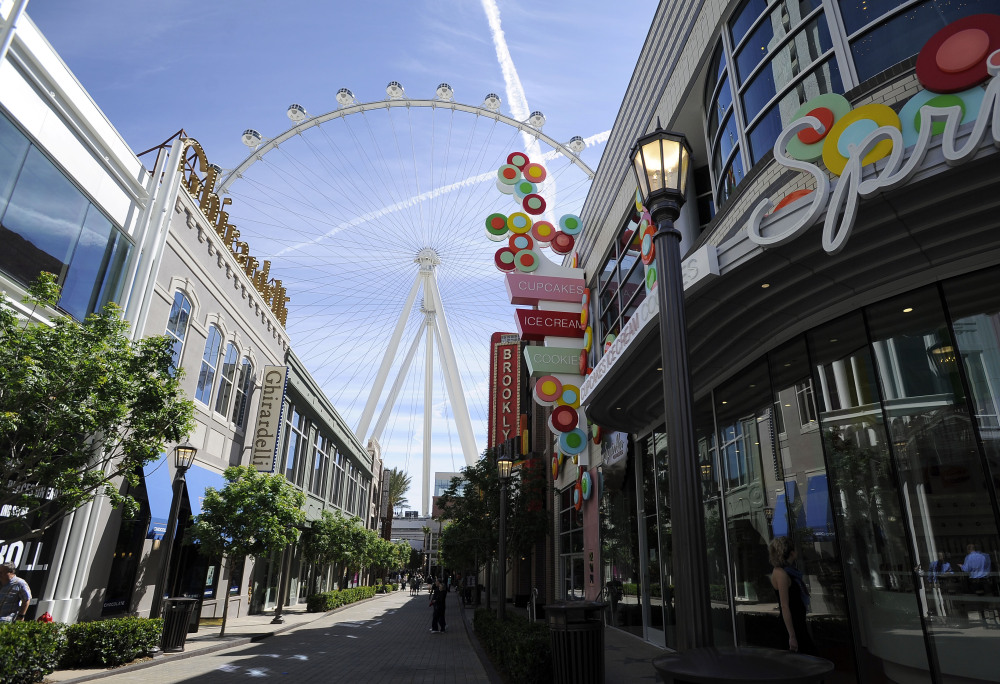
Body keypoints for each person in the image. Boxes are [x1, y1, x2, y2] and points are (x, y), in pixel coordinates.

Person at [768, 537, 813, 654]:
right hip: (791, 625)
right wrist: (792, 636)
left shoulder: (790, 571)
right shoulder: (781, 573)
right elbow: (784, 606)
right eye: (796, 550)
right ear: (792, 553)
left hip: (798, 622)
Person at [961, 544, 993, 625]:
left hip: (975, 581)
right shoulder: (983, 556)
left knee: (979, 601)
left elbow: (966, 569)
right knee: (986, 599)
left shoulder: (968, 557)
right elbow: (987, 567)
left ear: (968, 550)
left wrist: (961, 566)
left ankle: (983, 619)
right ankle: (990, 617)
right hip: (984, 580)